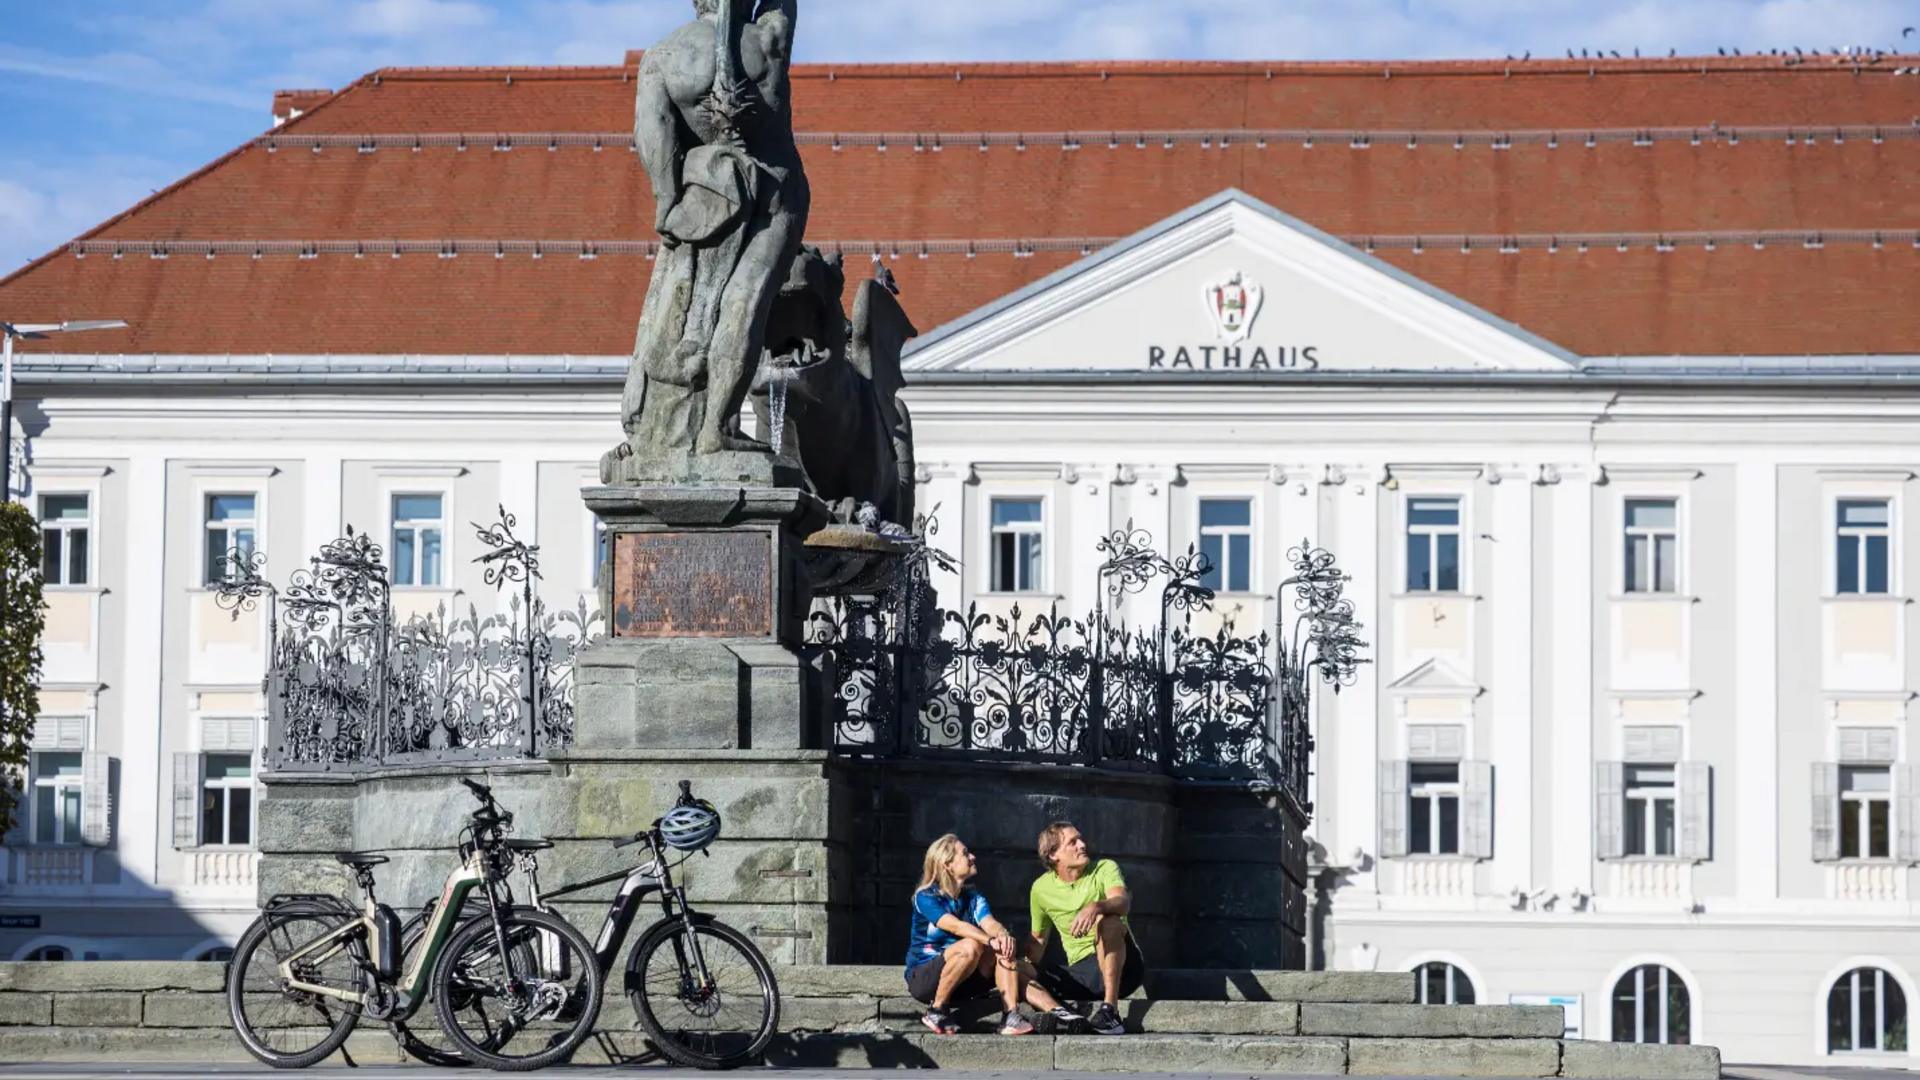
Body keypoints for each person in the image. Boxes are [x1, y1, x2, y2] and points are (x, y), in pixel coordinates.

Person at [906, 835, 1076, 1035]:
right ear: (948, 864)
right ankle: (937, 1010)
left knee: (1004, 950)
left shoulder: (973, 898)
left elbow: (990, 924)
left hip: (964, 978)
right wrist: (989, 940)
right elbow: (955, 927)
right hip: (926, 979)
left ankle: (1026, 1015)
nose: (973, 857)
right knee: (972, 945)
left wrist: (1002, 936)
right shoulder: (926, 896)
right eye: (965, 853)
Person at [1025, 822, 1147, 1037]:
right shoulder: (1040, 888)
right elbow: (1039, 942)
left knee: (1108, 921)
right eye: (1072, 842)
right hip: (1082, 974)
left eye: (1080, 839)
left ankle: (1111, 1012)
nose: (1082, 845)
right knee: (1013, 967)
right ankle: (1062, 1016)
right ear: (1053, 855)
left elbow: (1122, 902)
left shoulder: (1104, 868)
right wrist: (1012, 960)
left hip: (1125, 968)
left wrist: (1096, 906)